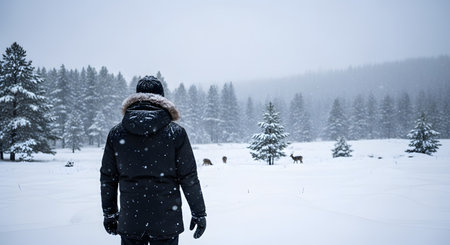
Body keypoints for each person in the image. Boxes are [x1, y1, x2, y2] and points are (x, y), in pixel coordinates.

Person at [100, 76, 207, 245]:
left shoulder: (117, 133)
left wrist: (109, 213)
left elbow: (108, 178)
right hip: (166, 221)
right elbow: (189, 177)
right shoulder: (175, 133)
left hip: (131, 221)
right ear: (162, 99)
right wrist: (199, 212)